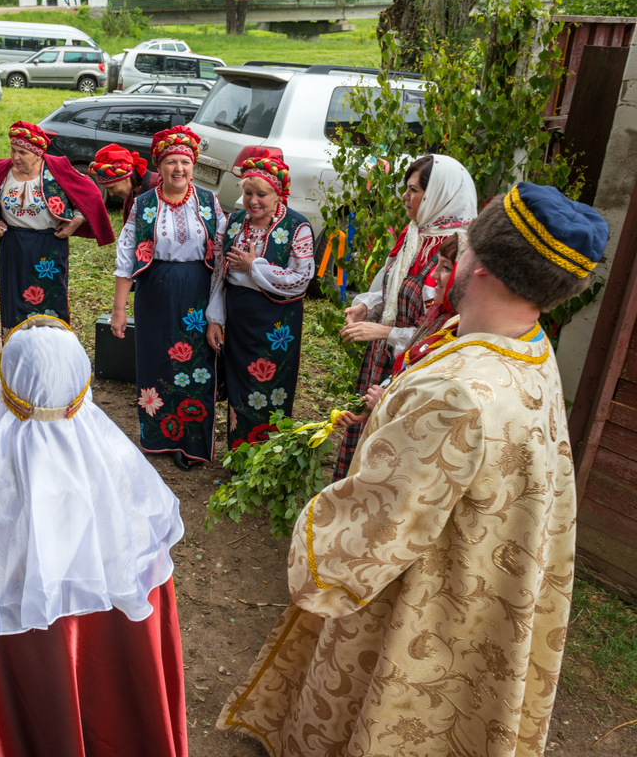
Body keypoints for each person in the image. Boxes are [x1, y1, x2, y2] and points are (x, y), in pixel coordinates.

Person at [216, 183, 609, 757]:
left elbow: (369, 534)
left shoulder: (455, 393)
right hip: (484, 583)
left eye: (464, 244)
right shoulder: (528, 344)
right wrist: (396, 408)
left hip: (421, 598)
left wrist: (313, 533)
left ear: (480, 267)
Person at [0, 316, 188, 757]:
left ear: (11, 388)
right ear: (81, 381)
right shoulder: (120, 466)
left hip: (31, 662)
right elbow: (149, 586)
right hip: (109, 651)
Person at [333, 154, 476, 478]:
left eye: (413, 190)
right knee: (364, 434)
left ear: (439, 193)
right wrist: (366, 308)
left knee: (391, 454)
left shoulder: (458, 251)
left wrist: (385, 333)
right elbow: (390, 285)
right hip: (383, 360)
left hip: (416, 367)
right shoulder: (414, 235)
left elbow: (445, 329)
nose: (405, 197)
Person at [110, 126, 224, 471]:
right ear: (158, 167)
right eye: (171, 162)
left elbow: (220, 254)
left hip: (197, 292)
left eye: (185, 162)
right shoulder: (144, 205)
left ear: (194, 165)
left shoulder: (208, 202)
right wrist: (118, 311)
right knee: (158, 362)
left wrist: (218, 311)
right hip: (156, 292)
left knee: (195, 366)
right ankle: (161, 436)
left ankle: (190, 441)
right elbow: (126, 255)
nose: (178, 169)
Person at [205, 150, 314, 450]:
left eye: (262, 194)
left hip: (276, 322)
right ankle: (240, 454)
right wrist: (215, 318)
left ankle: (268, 456)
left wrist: (254, 267)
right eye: (248, 193)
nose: (253, 201)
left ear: (278, 194)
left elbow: (301, 280)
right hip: (239, 315)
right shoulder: (233, 222)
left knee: (270, 386)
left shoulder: (297, 228)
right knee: (240, 383)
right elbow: (219, 273)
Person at [0, 121, 113, 332]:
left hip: (49, 246)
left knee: (51, 300)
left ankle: (52, 351)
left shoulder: (55, 169)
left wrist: (76, 222)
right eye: (13, 150)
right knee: (12, 301)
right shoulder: (2, 169)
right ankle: (15, 350)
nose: (15, 157)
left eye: (22, 152)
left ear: (38, 154)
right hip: (12, 245)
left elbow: (92, 195)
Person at [88, 143, 159, 222]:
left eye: (111, 187)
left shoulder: (159, 187)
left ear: (126, 178)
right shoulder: (130, 196)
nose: (111, 194)